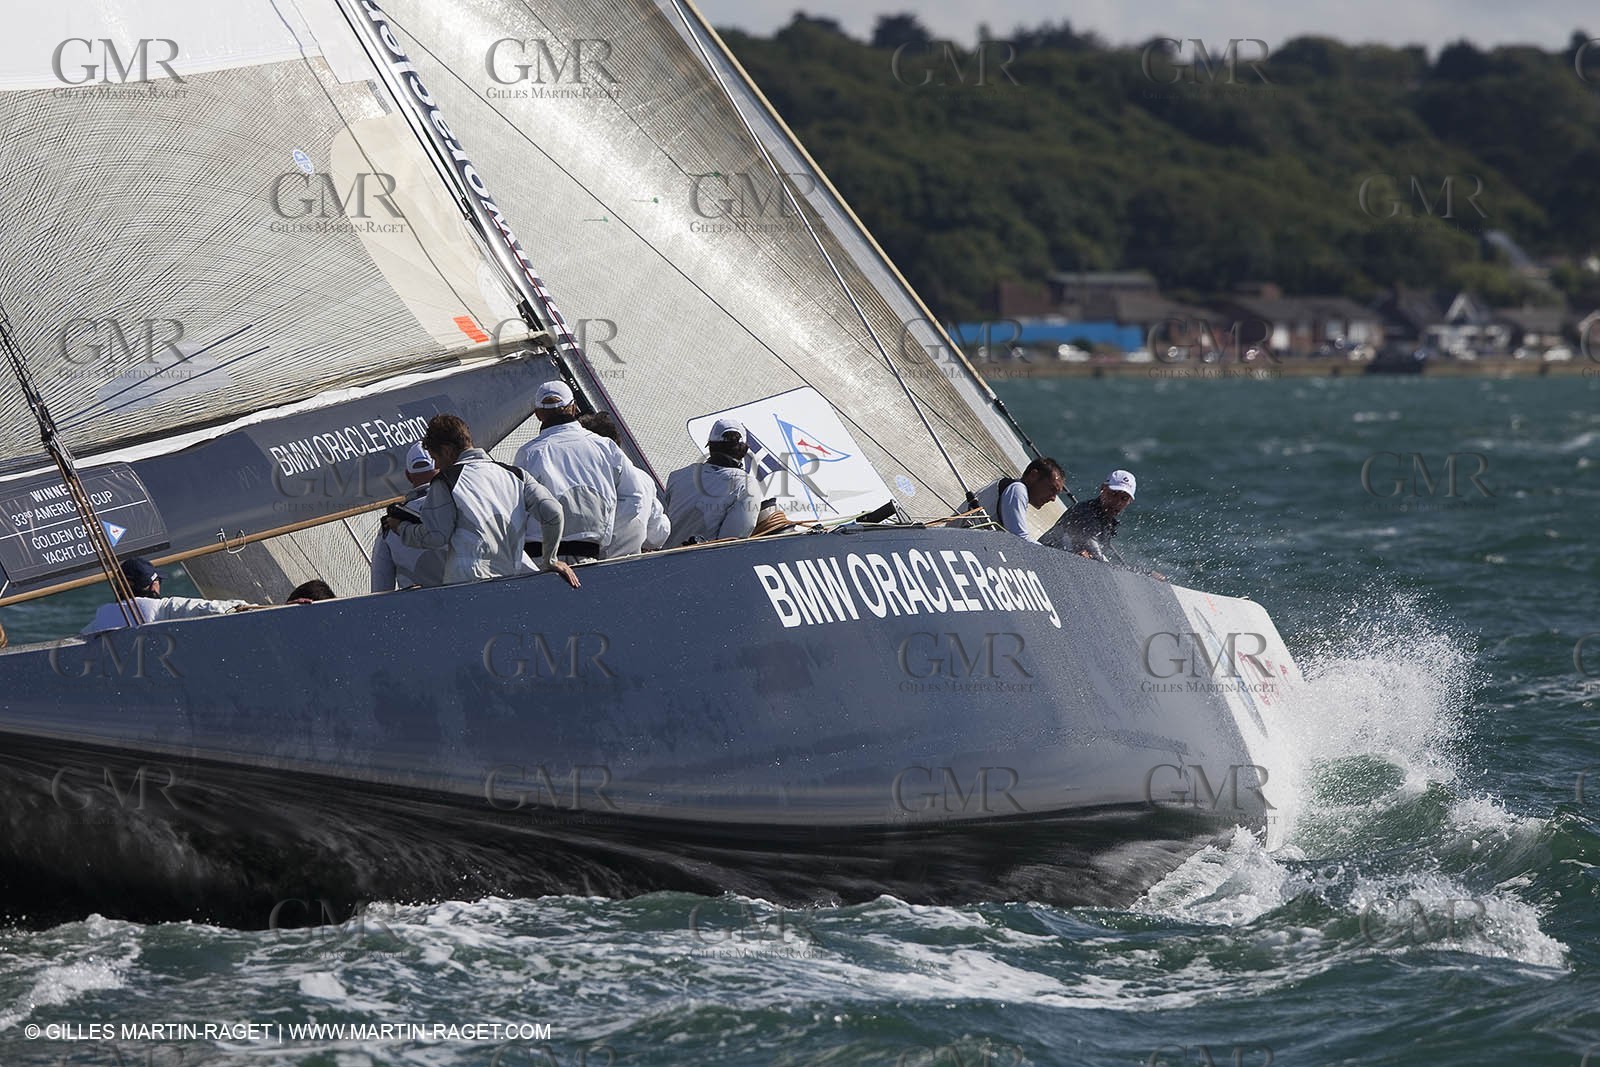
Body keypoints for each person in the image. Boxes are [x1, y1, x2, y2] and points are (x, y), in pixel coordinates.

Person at [384, 413, 580, 588]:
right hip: (512, 581)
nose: (436, 465)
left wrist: (401, 527)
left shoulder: (447, 481)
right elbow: (553, 511)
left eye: (435, 457)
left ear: (447, 450)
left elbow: (436, 537)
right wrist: (550, 559)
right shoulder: (516, 475)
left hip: (467, 584)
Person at [514, 381, 647, 562]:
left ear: (538, 414)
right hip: (589, 554)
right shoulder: (605, 446)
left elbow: (518, 508)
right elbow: (634, 497)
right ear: (574, 407)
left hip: (542, 557)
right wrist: (605, 534)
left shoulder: (528, 453)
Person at [82, 558, 258, 634]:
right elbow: (208, 609)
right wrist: (247, 607)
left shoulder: (100, 620)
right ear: (154, 585)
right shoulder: (163, 608)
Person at [580, 411, 670, 553]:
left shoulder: (580, 479)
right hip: (630, 562)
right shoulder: (644, 479)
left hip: (586, 562)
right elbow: (657, 536)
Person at [663, 418, 761, 547]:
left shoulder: (677, 476)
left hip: (663, 557)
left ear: (710, 446)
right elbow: (732, 543)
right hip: (702, 559)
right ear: (744, 450)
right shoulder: (746, 485)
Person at [370, 441, 446, 591]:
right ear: (441, 468)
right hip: (466, 600)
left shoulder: (389, 526)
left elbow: (380, 588)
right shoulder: (460, 508)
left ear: (408, 476)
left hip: (418, 604)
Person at [1041, 469, 1137, 562]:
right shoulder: (1084, 513)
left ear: (1129, 502)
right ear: (1103, 489)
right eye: (1113, 494)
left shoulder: (1107, 521)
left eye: (1124, 499)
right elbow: (1098, 560)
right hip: (1042, 558)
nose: (1117, 502)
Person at [973, 457, 1065, 543]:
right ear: (1033, 475)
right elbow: (1019, 539)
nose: (1053, 499)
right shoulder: (1017, 489)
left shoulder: (1010, 487)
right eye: (1052, 489)